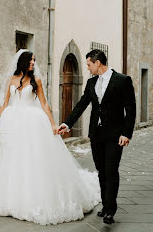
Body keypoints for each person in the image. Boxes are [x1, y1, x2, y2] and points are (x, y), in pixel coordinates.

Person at [0, 49, 100, 225]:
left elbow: (43, 103)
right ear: (23, 62)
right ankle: (10, 197)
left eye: (34, 60)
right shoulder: (11, 80)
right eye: (31, 61)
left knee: (31, 158)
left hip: (32, 122)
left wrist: (52, 123)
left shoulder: (37, 80)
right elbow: (4, 103)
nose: (33, 63)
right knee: (10, 158)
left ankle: (30, 198)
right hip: (11, 121)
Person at [58, 49, 136, 225]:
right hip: (97, 134)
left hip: (115, 135)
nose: (87, 68)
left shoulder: (122, 81)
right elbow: (82, 104)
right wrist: (67, 123)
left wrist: (126, 133)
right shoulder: (91, 82)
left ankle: (110, 209)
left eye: (88, 64)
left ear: (97, 62)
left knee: (111, 170)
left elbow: (130, 109)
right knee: (101, 171)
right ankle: (105, 204)